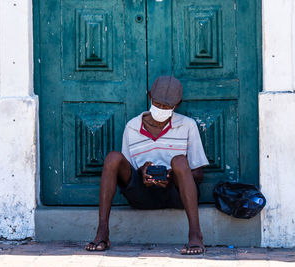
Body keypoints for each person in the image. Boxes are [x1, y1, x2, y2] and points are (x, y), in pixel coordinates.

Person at [85, 76, 209, 255]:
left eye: (167, 107)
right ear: (150, 96)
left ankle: (196, 235)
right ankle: (102, 232)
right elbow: (126, 174)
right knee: (113, 158)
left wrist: (171, 174)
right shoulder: (132, 127)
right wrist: (142, 172)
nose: (161, 109)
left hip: (177, 194)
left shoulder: (187, 125)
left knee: (179, 161)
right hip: (142, 194)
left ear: (178, 104)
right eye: (158, 104)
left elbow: (198, 175)